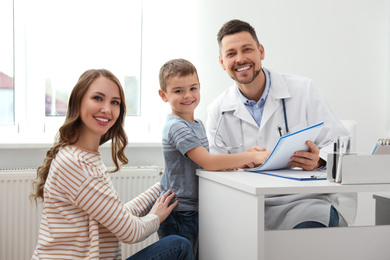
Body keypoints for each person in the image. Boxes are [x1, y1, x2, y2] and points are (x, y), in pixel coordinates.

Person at [30, 69, 194, 260]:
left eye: (114, 102)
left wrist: (165, 183)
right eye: (98, 98)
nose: (107, 109)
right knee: (178, 246)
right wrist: (156, 216)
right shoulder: (75, 163)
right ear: (78, 100)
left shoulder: (84, 156)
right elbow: (130, 231)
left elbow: (117, 216)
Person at [206, 19, 352, 230]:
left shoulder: (303, 89)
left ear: (261, 52)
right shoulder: (217, 110)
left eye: (247, 49)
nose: (240, 59)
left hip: (303, 202)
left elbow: (342, 144)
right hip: (245, 206)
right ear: (222, 63)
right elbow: (214, 169)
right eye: (231, 54)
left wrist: (319, 160)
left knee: (307, 236)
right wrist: (240, 161)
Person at [157, 58, 270, 258]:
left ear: (200, 87)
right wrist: (249, 155)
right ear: (163, 95)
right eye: (178, 91)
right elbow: (208, 162)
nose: (187, 96)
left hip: (194, 210)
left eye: (192, 88)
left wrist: (243, 161)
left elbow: (205, 163)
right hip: (179, 213)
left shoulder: (197, 123)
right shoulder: (176, 126)